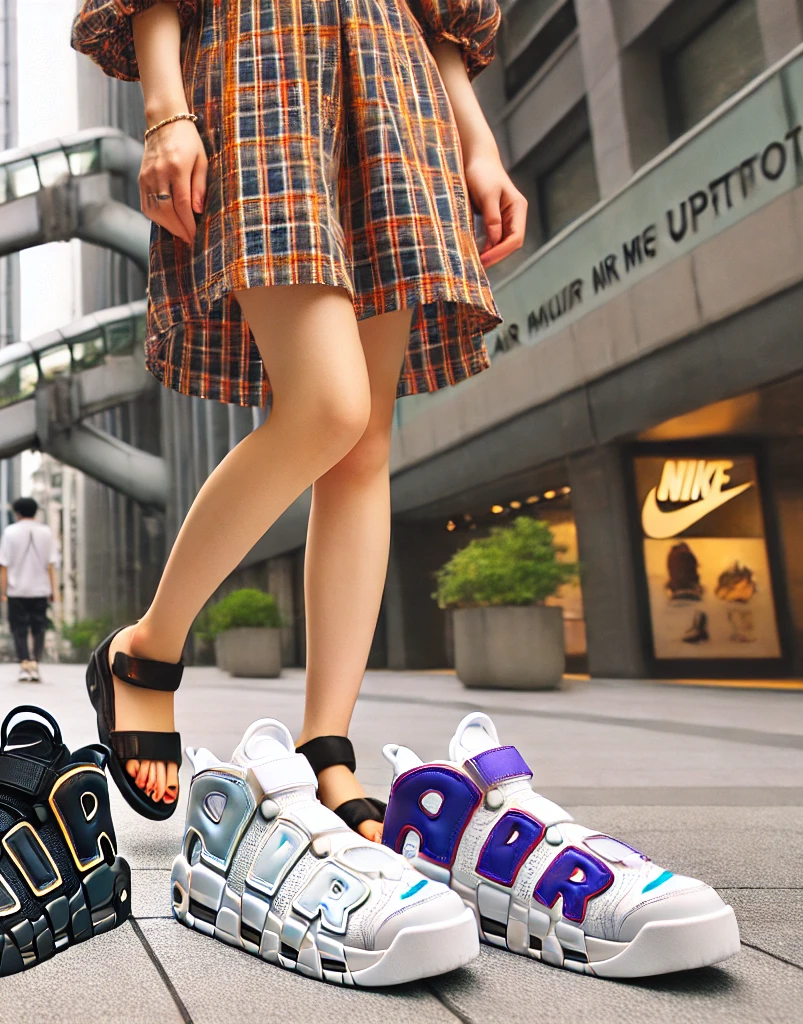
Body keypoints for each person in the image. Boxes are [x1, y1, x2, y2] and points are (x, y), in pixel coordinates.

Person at [71, 0, 523, 832]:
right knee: (329, 408)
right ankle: (148, 647)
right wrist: (167, 110)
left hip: (395, 95)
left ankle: (327, 749)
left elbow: (444, 21)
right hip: (258, 75)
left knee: (362, 447)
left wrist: (478, 142)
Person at [0, 497, 60, 682]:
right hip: (41, 589)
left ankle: (24, 664)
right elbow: (51, 565)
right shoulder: (46, 532)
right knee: (39, 627)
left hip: (17, 590)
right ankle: (35, 663)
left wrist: (3, 591)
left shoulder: (10, 532)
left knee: (19, 628)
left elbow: (4, 565)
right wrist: (54, 591)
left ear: (18, 513)